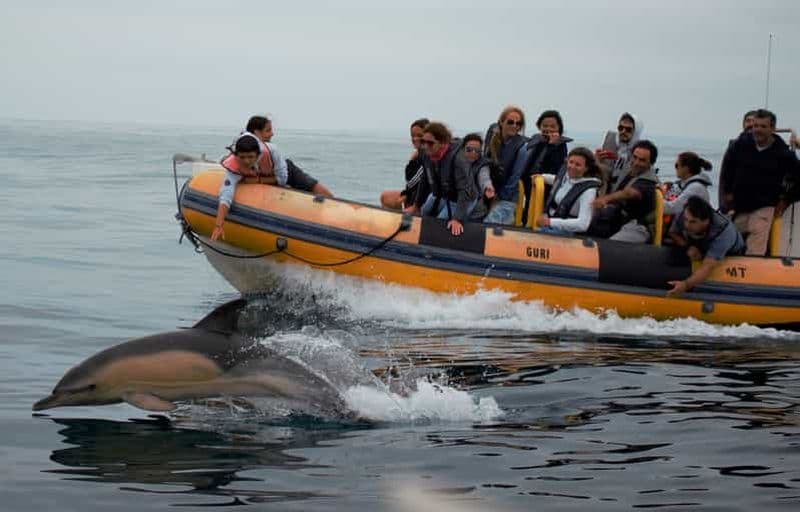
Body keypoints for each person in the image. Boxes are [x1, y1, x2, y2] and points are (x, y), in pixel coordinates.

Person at [723, 109, 800, 255]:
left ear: (772, 129)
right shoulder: (741, 145)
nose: (757, 130)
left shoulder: (783, 153)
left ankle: (754, 269)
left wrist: (786, 199)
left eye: (763, 126)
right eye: (755, 126)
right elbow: (728, 168)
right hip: (740, 205)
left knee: (756, 240)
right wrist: (728, 192)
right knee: (730, 236)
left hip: (765, 205)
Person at [405, 122, 477, 236]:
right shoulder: (425, 154)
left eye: (430, 143)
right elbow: (424, 179)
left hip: (461, 199)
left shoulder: (458, 160)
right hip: (441, 195)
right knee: (423, 212)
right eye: (423, 142)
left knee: (439, 224)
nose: (426, 146)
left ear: (442, 143)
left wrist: (457, 218)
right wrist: (416, 206)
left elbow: (465, 190)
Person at [211, 134, 288, 241]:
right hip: (258, 173)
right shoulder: (234, 166)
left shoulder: (272, 152)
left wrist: (256, 181)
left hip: (280, 169)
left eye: (250, 157)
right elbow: (226, 195)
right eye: (242, 157)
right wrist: (218, 225)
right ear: (235, 155)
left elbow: (283, 179)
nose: (246, 161)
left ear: (257, 155)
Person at [666, 196, 745, 296]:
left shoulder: (723, 232)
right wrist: (687, 246)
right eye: (686, 220)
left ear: (706, 221)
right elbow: (673, 233)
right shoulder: (685, 214)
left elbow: (707, 266)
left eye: (693, 222)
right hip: (698, 244)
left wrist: (685, 285)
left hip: (731, 253)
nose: (687, 225)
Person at [589, 139, 660, 243]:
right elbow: (609, 174)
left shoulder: (648, 182)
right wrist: (596, 161)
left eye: (642, 160)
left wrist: (605, 199)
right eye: (634, 157)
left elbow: (630, 193)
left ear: (651, 163)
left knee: (612, 245)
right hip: (617, 219)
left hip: (637, 226)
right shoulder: (629, 169)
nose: (636, 162)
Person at [249, 115, 333, 197]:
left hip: (287, 170)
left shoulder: (271, 150)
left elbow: (282, 178)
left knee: (319, 191)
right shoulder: (242, 148)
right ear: (257, 133)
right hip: (272, 175)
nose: (272, 134)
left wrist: (258, 180)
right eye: (268, 130)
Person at [516, 110, 572, 221]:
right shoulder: (537, 140)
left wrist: (552, 146)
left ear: (559, 128)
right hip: (528, 185)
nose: (548, 129)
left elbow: (554, 167)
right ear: (539, 126)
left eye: (553, 126)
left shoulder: (560, 145)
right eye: (545, 125)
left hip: (545, 187)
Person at [535, 147, 602, 235]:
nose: (572, 167)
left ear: (586, 168)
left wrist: (550, 222)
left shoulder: (588, 191)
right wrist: (541, 177)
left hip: (566, 233)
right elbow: (558, 181)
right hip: (550, 224)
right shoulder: (568, 176)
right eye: (571, 162)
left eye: (578, 165)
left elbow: (583, 224)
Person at [482, 106, 529, 224]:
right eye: (510, 122)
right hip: (488, 191)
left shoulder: (522, 149)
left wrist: (498, 198)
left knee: (490, 223)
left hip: (507, 197)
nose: (514, 126)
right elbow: (484, 165)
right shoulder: (492, 139)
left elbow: (514, 178)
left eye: (518, 123)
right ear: (501, 122)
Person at [381, 118, 429, 210]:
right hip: (414, 194)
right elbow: (412, 182)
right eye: (412, 135)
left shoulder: (426, 155)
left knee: (386, 198)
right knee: (384, 197)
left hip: (420, 199)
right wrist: (406, 193)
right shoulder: (420, 154)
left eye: (419, 135)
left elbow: (411, 181)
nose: (415, 139)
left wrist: (411, 160)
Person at [718, 110, 758, 211]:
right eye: (748, 121)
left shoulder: (769, 148)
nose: (751, 124)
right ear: (743, 124)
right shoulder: (734, 146)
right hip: (734, 203)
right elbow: (725, 176)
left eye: (754, 121)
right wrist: (725, 204)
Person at [594, 112, 644, 193]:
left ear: (636, 131)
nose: (623, 131)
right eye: (620, 128)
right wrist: (596, 160)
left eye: (628, 129)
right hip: (603, 189)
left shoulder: (640, 151)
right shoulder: (610, 141)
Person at [662, 152, 713, 228]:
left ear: (686, 168)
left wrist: (653, 198)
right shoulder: (688, 185)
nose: (676, 168)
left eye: (677, 165)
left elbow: (672, 208)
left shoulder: (695, 188)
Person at [462, 133, 494, 221]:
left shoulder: (482, 165)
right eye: (469, 149)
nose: (473, 153)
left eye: (477, 150)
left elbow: (484, 177)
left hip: (475, 211)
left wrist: (488, 187)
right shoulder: (456, 162)